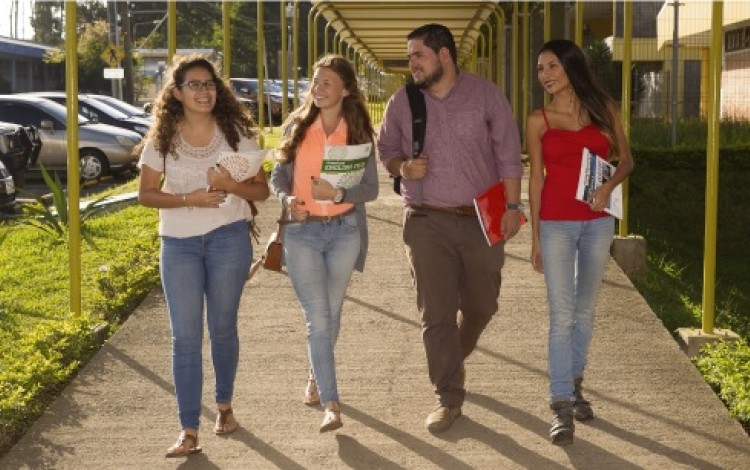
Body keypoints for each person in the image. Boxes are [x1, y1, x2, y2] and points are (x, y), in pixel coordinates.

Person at [376, 23, 524, 433]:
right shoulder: (403, 102)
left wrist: (513, 207)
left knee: (482, 306)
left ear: (444, 55)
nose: (412, 64)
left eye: (418, 55)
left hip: (481, 217)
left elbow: (509, 155)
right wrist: (402, 168)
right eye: (410, 57)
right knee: (437, 313)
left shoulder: (486, 95)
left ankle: (451, 361)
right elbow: (386, 149)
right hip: (426, 220)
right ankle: (448, 397)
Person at [137, 54, 270, 457]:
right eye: (193, 84)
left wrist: (231, 184)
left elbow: (261, 191)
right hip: (178, 244)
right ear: (176, 93)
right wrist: (188, 199)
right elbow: (146, 195)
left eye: (209, 83)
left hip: (228, 238)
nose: (203, 91)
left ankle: (224, 406)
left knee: (223, 327)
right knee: (185, 338)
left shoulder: (237, 134)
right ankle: (188, 429)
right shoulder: (162, 138)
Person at [527, 39, 634, 445]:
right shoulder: (538, 119)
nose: (545, 75)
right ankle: (560, 406)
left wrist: (607, 188)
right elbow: (536, 179)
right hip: (556, 224)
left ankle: (575, 388)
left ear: (572, 66)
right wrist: (536, 237)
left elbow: (626, 160)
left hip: (598, 224)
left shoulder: (603, 108)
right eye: (541, 68)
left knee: (585, 311)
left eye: (552, 66)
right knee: (562, 315)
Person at [270, 54, 378, 433]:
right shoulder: (296, 126)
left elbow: (371, 189)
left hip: (345, 232)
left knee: (332, 313)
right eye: (315, 81)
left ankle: (316, 375)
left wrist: (338, 194)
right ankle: (332, 403)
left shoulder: (358, 131)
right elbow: (277, 178)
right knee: (318, 317)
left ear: (345, 90)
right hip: (303, 234)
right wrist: (287, 200)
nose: (317, 88)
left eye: (326, 82)